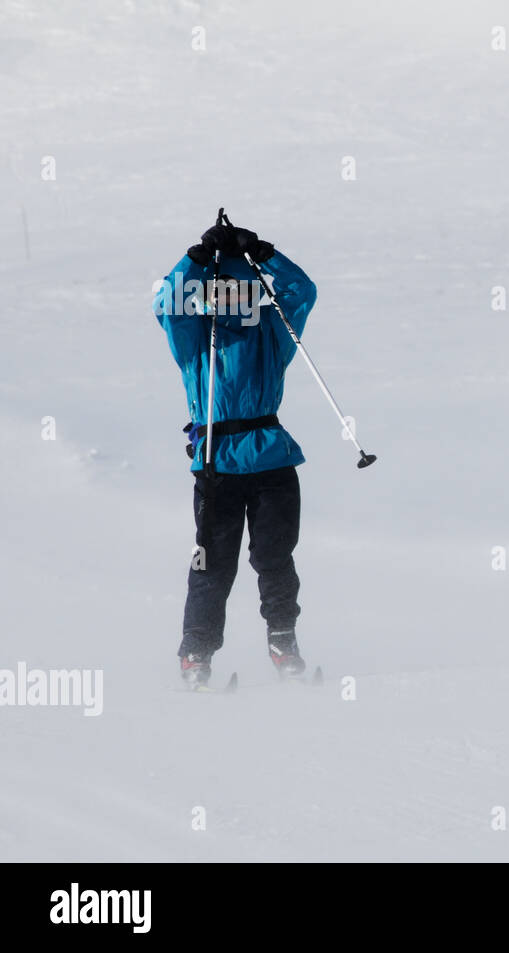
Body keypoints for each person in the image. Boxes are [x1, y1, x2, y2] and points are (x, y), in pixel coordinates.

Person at [153, 221, 317, 687]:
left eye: (241, 292)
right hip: (216, 466)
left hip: (271, 461)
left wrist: (264, 253)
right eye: (221, 293)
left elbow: (301, 291)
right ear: (208, 295)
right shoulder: (194, 337)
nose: (231, 301)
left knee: (275, 557)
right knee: (211, 562)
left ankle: (283, 639)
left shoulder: (273, 329)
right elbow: (167, 303)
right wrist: (198, 258)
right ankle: (196, 655)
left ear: (252, 293)